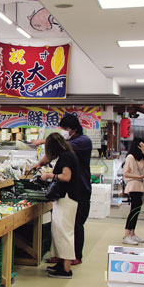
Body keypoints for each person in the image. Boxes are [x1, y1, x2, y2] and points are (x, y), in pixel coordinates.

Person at [33, 114, 92, 265]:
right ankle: (61, 255)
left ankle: (75, 256)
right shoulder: (66, 145)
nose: (64, 131)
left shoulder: (83, 142)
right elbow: (52, 152)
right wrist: (39, 164)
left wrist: (42, 141)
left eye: (65, 129)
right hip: (65, 191)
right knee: (60, 227)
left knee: (75, 224)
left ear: (73, 129)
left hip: (79, 190)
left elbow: (57, 146)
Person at [39, 132, 80, 279]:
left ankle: (66, 269)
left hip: (67, 199)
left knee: (64, 232)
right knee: (57, 231)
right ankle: (61, 264)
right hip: (63, 199)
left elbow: (66, 177)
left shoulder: (67, 157)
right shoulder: (65, 155)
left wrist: (49, 175)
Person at [122, 138, 144, 245]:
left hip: (140, 186)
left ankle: (132, 233)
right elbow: (126, 174)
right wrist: (139, 176)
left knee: (137, 210)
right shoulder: (130, 157)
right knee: (134, 210)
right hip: (133, 185)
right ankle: (126, 235)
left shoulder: (142, 158)